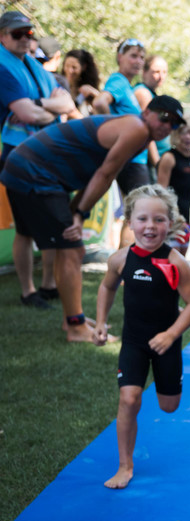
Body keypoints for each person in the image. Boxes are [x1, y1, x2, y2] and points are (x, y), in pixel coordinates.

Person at [0, 95, 185, 341]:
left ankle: (71, 318)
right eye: (164, 117)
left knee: (63, 245)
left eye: (174, 124)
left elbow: (98, 176)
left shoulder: (139, 133)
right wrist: (79, 213)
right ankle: (75, 327)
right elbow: (105, 174)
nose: (167, 126)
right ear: (147, 112)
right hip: (35, 172)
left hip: (24, 167)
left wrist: (78, 210)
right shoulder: (137, 129)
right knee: (72, 248)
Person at [93, 184, 190, 489]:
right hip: (134, 342)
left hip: (167, 343)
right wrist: (100, 322)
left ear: (170, 222)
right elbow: (107, 287)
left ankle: (167, 378)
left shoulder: (175, 262)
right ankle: (125, 466)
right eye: (142, 219)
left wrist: (171, 334)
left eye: (158, 219)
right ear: (129, 221)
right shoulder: (120, 259)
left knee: (169, 406)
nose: (150, 226)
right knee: (129, 399)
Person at [0, 10, 76, 309]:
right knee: (25, 228)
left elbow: (67, 103)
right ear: (2, 36)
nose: (24, 38)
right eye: (17, 33)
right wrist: (49, 108)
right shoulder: (4, 69)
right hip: (18, 158)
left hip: (47, 156)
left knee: (54, 222)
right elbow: (27, 114)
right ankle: (28, 290)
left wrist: (39, 104)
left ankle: (48, 285)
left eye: (28, 33)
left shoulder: (33, 66)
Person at [92, 39, 151, 201]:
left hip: (134, 159)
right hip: (131, 161)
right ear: (120, 57)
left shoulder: (127, 86)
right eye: (133, 56)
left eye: (141, 57)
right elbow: (99, 102)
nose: (138, 61)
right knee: (144, 206)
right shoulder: (118, 81)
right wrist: (113, 132)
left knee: (136, 209)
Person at [157, 114, 190, 255]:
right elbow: (161, 193)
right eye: (184, 133)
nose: (188, 137)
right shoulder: (169, 158)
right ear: (176, 134)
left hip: (186, 222)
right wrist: (176, 219)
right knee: (171, 259)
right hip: (169, 219)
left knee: (181, 261)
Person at [131, 55, 171, 179]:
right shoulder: (144, 93)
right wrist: (157, 164)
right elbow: (148, 131)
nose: (161, 76)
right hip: (148, 163)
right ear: (144, 72)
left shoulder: (152, 94)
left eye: (164, 72)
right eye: (156, 72)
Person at [61, 48, 101, 117]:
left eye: (74, 67)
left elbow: (103, 106)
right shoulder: (59, 85)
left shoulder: (86, 90)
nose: (70, 71)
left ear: (83, 67)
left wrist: (93, 92)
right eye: (67, 66)